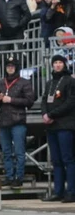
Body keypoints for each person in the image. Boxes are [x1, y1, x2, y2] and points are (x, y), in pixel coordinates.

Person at [0, 57, 35, 188]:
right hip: (3, 121)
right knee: (6, 152)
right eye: (8, 66)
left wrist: (11, 100)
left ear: (16, 68)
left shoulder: (24, 82)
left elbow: (29, 101)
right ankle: (9, 176)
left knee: (19, 151)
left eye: (12, 66)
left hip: (18, 121)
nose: (10, 68)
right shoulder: (1, 83)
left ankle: (19, 177)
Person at [41, 55, 75, 203]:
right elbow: (44, 100)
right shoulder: (50, 83)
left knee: (68, 159)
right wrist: (44, 114)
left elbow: (70, 102)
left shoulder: (70, 81)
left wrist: (52, 114)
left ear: (65, 65)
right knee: (56, 160)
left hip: (65, 125)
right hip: (52, 126)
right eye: (55, 62)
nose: (57, 65)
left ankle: (71, 191)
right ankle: (58, 191)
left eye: (60, 62)